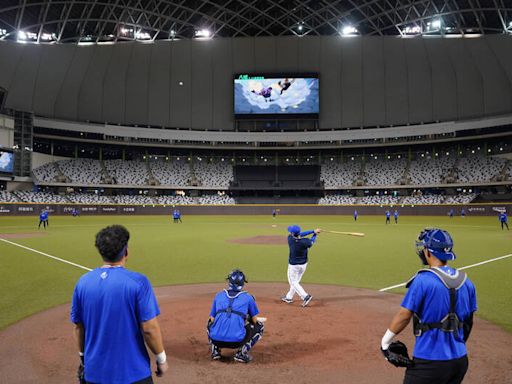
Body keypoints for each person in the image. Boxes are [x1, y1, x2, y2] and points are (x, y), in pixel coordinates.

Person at [70, 225, 168, 383]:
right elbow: (149, 329)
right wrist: (161, 359)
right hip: (133, 373)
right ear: (126, 251)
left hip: (94, 373)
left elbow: (78, 327)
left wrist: (82, 357)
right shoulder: (138, 282)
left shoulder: (82, 283)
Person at [380, 228, 477, 384]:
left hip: (429, 362)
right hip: (459, 361)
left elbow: (404, 315)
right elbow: (468, 323)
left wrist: (385, 343)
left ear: (429, 252)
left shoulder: (422, 280)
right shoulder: (467, 282)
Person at [207, 269, 264, 363]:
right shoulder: (248, 298)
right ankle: (241, 353)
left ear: (229, 282)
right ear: (243, 283)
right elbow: (255, 321)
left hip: (215, 339)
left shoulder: (218, 296)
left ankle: (215, 350)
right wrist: (247, 318)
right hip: (237, 342)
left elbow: (212, 319)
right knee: (260, 326)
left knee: (209, 323)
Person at [281, 225, 321, 307]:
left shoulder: (290, 239)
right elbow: (311, 241)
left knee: (293, 282)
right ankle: (289, 297)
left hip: (293, 266)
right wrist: (314, 233)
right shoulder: (305, 242)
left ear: (292, 233)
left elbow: (301, 234)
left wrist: (313, 231)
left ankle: (305, 296)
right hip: (303, 265)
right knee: (296, 282)